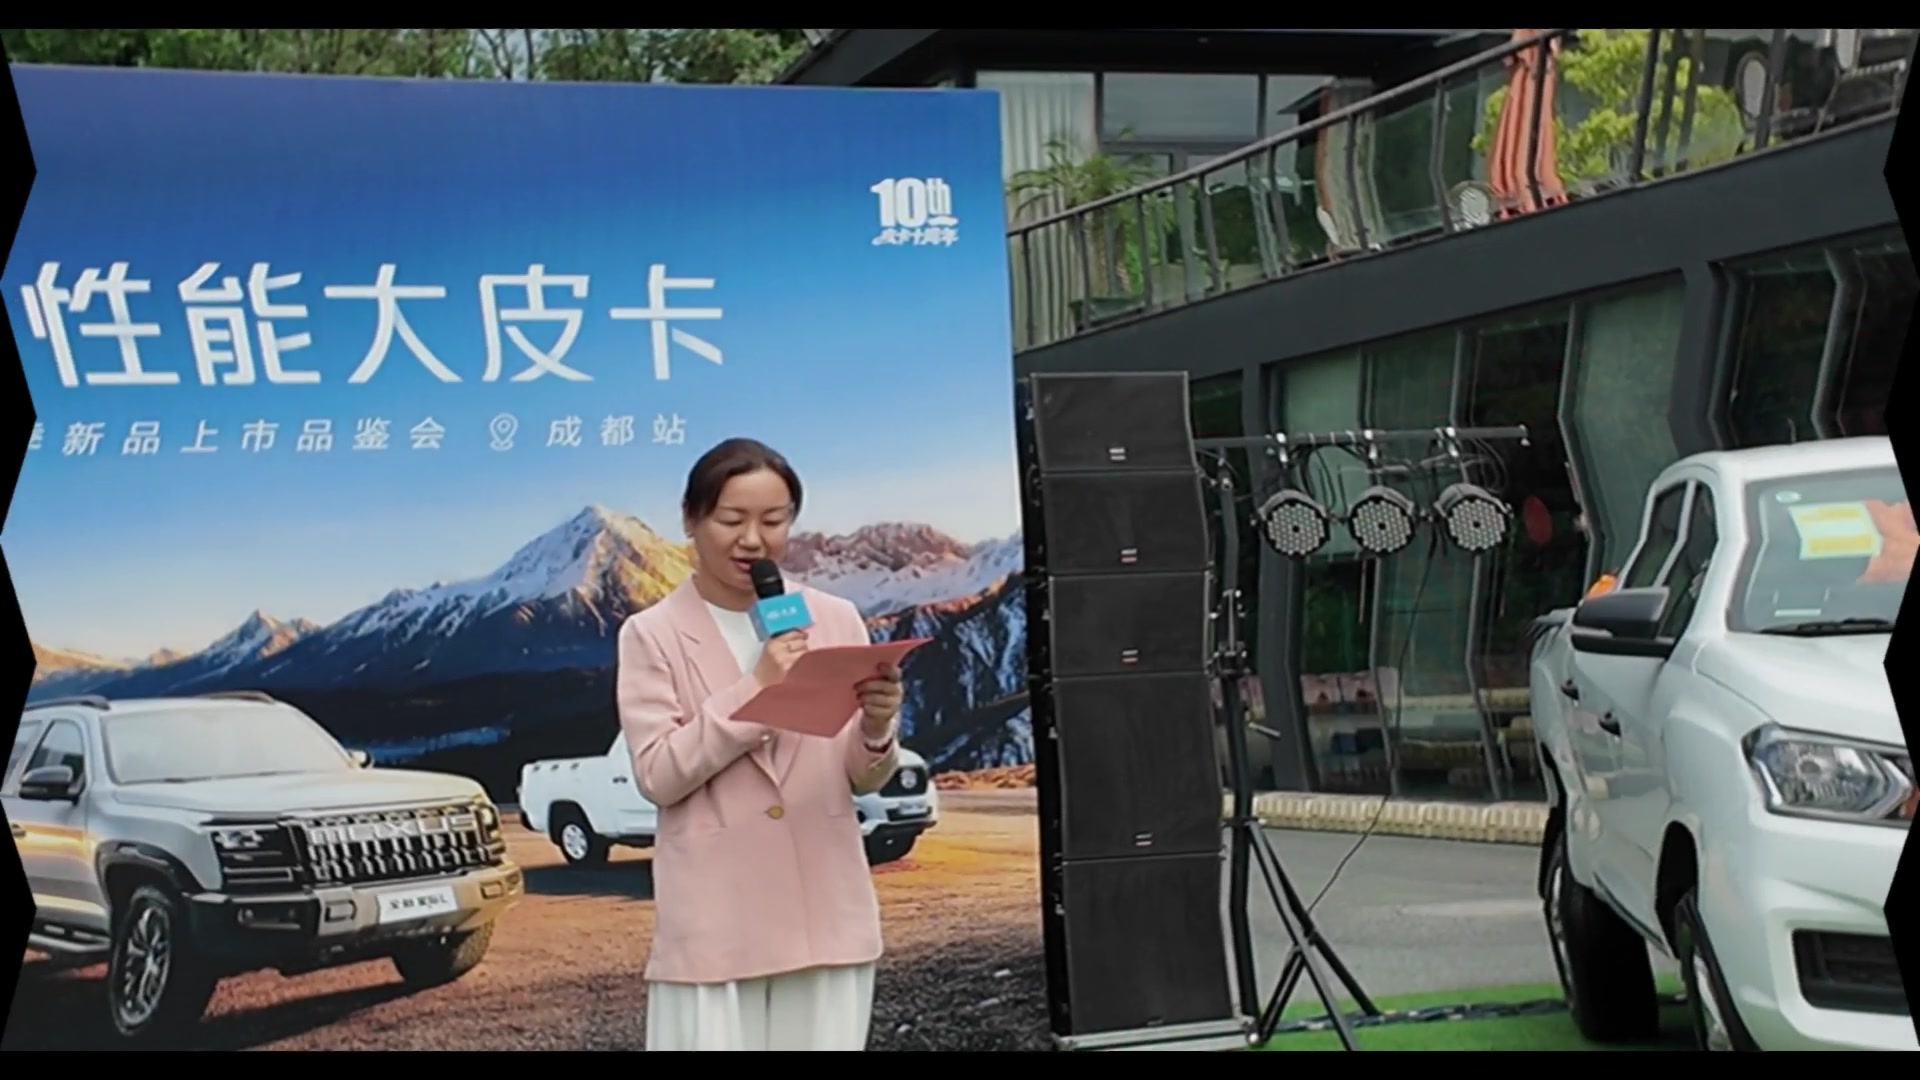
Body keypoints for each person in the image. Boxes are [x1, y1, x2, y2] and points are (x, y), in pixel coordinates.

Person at [616, 437, 904, 1052]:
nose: (753, 540)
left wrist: (877, 728)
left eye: (773, 521)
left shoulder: (833, 618)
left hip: (824, 908)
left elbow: (859, 775)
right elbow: (659, 774)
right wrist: (757, 690)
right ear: (691, 519)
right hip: (716, 918)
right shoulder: (652, 633)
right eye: (732, 520)